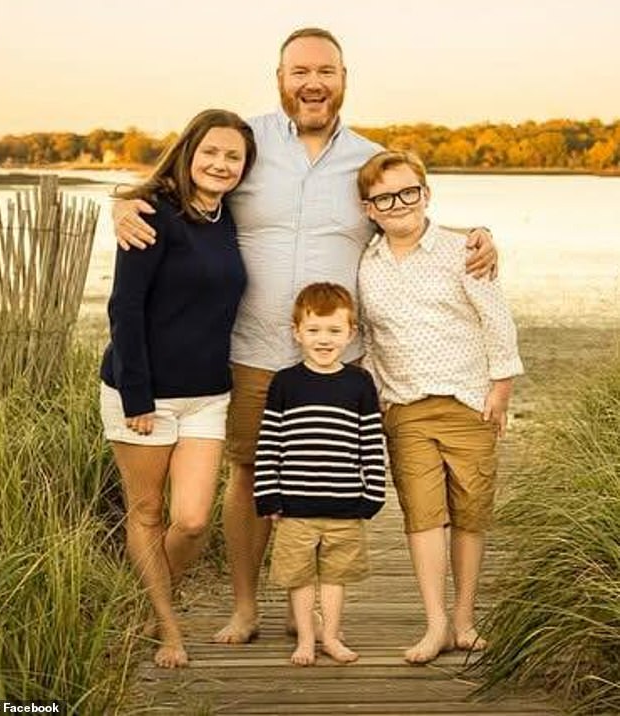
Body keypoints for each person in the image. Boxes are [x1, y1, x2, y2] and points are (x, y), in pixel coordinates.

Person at [111, 27, 498, 645]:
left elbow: (402, 213)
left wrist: (472, 234)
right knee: (247, 474)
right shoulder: (248, 143)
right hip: (250, 350)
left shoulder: (365, 157)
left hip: (335, 357)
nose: (312, 83)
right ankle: (244, 607)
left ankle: (315, 613)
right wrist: (122, 203)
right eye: (299, 72)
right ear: (280, 78)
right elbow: (183, 184)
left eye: (326, 72)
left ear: (344, 78)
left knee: (327, 477)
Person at [99, 109, 256, 668]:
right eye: (210, 152)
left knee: (191, 521)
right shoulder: (152, 215)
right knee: (146, 514)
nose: (220, 164)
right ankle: (167, 628)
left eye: (233, 156)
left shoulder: (228, 218)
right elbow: (125, 309)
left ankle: (145, 601)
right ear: (188, 152)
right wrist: (137, 397)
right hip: (142, 396)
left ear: (244, 167)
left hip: (208, 395)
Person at [357, 149, 524, 664]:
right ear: (369, 210)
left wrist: (500, 390)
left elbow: (497, 321)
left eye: (409, 192)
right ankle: (434, 625)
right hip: (404, 407)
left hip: (469, 403)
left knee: (470, 513)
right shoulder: (368, 264)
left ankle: (464, 619)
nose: (399, 203)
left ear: (426, 195)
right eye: (385, 198)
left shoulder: (463, 251)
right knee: (422, 515)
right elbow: (368, 336)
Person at [253, 283, 385, 665]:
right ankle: (306, 639)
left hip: (344, 506)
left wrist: (372, 494)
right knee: (299, 577)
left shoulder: (359, 383)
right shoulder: (286, 383)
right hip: (296, 508)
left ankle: (330, 635)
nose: (323, 340)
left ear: (350, 333)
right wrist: (269, 496)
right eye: (313, 331)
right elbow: (270, 443)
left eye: (333, 331)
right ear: (297, 332)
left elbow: (370, 444)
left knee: (334, 578)